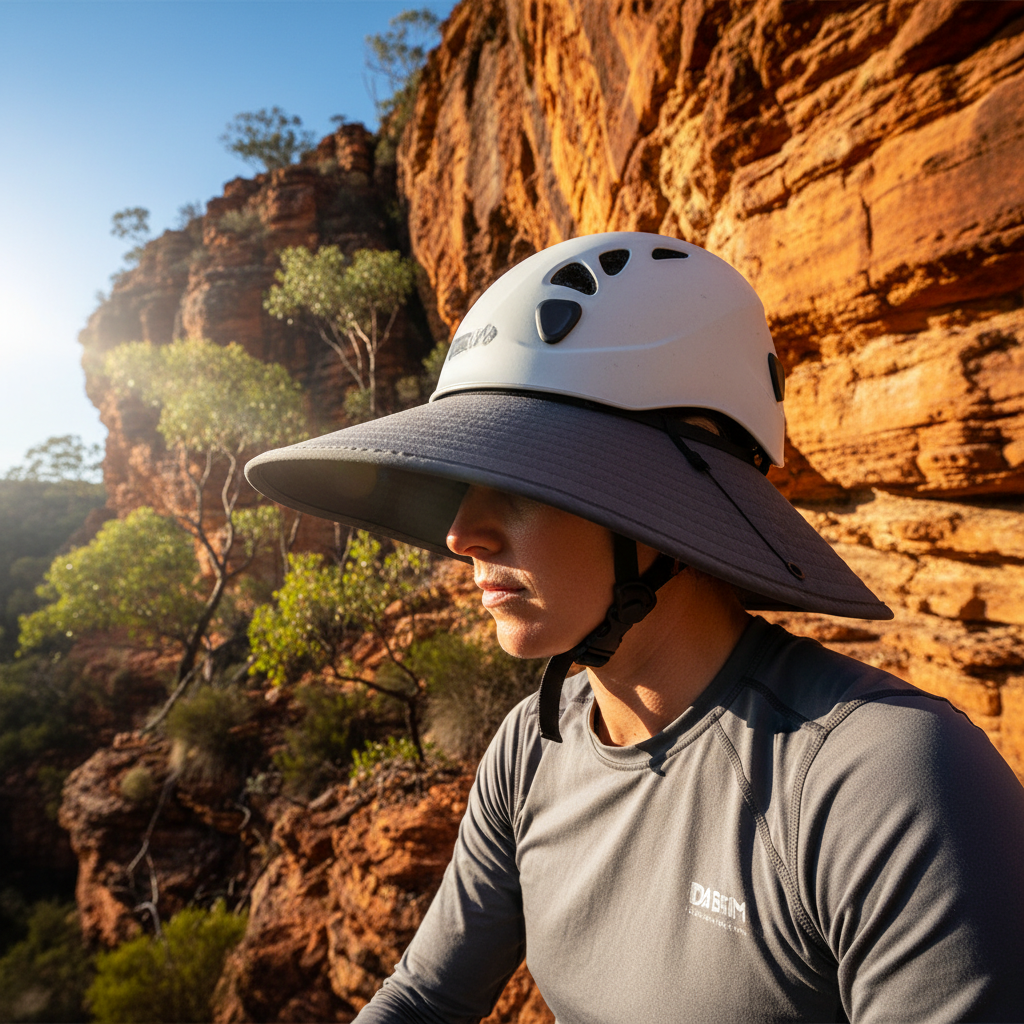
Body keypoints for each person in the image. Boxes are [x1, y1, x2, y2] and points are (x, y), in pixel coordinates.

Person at [247, 232, 1024, 1023]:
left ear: (672, 502)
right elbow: (424, 999)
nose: (460, 534)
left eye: (519, 480)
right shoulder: (532, 748)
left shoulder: (881, 783)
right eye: (461, 483)